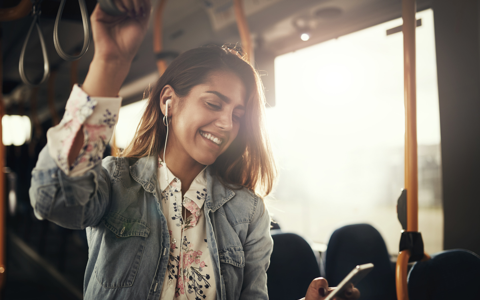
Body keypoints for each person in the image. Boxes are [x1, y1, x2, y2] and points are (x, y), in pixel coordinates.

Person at [29, 1, 360, 299]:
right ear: (169, 101)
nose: (228, 123)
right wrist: (111, 63)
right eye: (213, 103)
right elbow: (53, 198)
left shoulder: (248, 211)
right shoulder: (116, 181)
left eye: (237, 115)